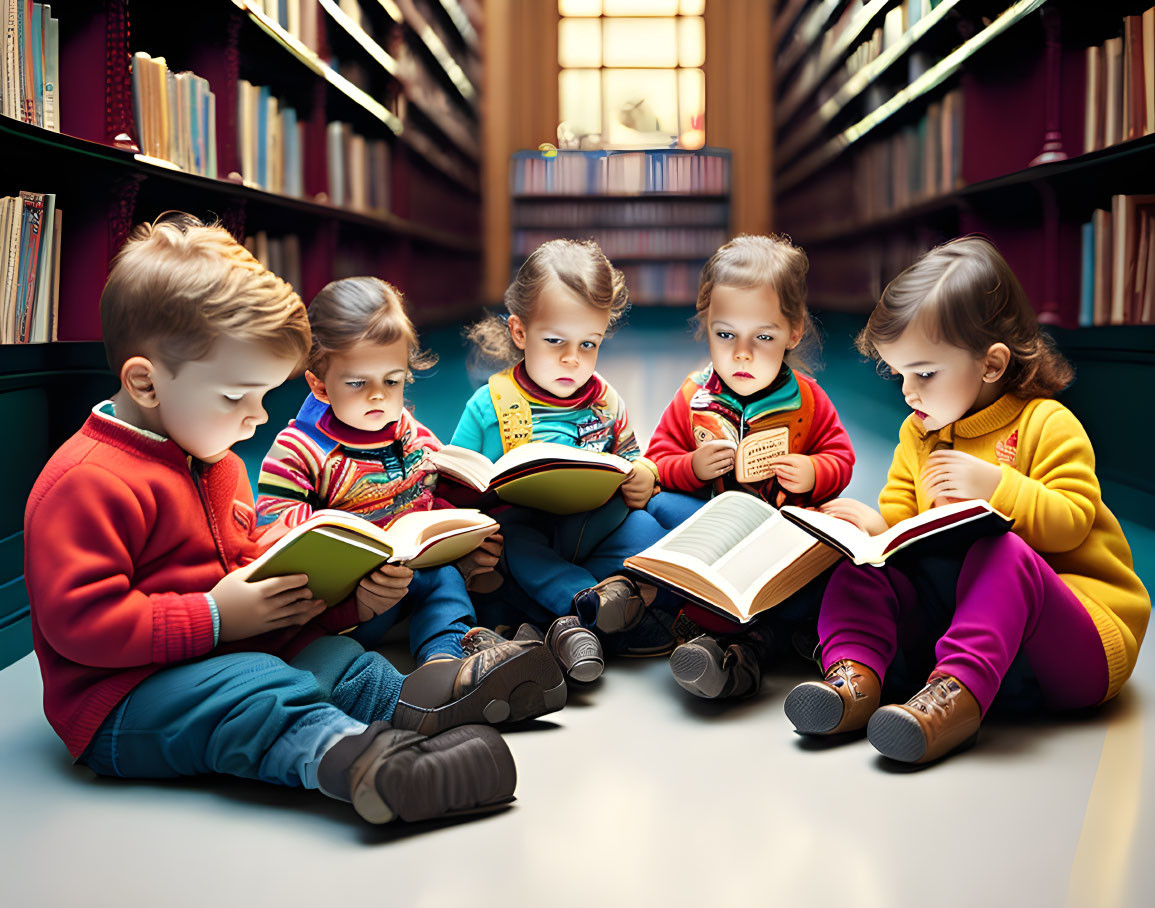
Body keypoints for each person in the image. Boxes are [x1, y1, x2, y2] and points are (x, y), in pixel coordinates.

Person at [23, 214, 564, 826]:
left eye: (264, 396)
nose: (257, 418)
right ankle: (358, 764)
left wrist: (347, 602)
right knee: (260, 689)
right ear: (146, 383)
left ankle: (437, 706)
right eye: (237, 396)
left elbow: (258, 575)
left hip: (225, 649)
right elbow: (81, 624)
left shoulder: (216, 461)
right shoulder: (86, 482)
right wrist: (217, 616)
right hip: (123, 700)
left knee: (343, 662)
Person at [782, 235, 1150, 765]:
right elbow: (909, 533)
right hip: (970, 631)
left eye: (925, 373)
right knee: (861, 567)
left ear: (992, 365)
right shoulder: (919, 435)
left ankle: (952, 703)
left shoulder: (1046, 423)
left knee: (1001, 554)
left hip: (1078, 645)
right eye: (900, 374)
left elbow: (1072, 523)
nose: (908, 392)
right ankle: (853, 679)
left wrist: (995, 487)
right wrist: (876, 526)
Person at [452, 238, 676, 682]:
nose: (573, 360)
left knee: (652, 532)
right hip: (525, 535)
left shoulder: (606, 400)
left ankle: (553, 623)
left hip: (596, 528)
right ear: (519, 332)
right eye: (555, 341)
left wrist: (642, 474)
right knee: (517, 547)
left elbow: (631, 455)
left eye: (589, 344)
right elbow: (455, 482)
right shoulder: (490, 404)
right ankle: (589, 607)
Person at [644, 234, 855, 699]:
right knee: (656, 514)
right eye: (726, 334)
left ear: (793, 332)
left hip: (782, 543)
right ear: (708, 326)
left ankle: (745, 642)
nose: (742, 352)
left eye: (762, 337)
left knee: (838, 551)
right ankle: (744, 639)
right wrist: (692, 467)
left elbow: (841, 457)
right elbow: (658, 461)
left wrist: (815, 471)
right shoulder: (691, 397)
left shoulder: (808, 399)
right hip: (716, 540)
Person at [256, 276, 503, 665]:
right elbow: (276, 537)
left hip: (415, 577)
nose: (378, 395)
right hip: (351, 606)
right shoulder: (298, 451)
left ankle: (446, 662)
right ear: (320, 386)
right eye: (357, 383)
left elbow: (434, 491)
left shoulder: (408, 429)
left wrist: (467, 535)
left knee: (447, 579)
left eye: (392, 380)